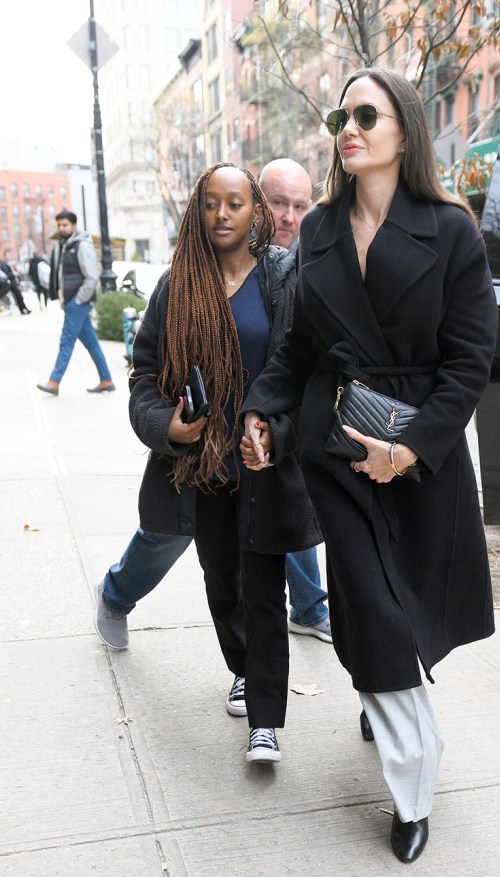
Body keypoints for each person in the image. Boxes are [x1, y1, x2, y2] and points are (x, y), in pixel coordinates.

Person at [241, 68, 497, 862]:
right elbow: (296, 349)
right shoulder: (317, 229)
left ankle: (385, 700)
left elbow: (470, 360)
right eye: (338, 116)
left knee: (403, 610)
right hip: (337, 449)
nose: (346, 128)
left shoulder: (451, 231)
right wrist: (263, 411)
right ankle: (413, 785)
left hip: (421, 452)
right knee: (377, 617)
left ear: (403, 129)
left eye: (365, 114)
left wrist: (412, 446)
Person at [102, 162, 321, 764]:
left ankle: (266, 723)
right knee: (223, 585)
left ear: (254, 212)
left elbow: (303, 371)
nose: (222, 214)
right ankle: (243, 669)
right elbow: (143, 375)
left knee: (265, 592)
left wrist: (275, 431)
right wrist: (166, 427)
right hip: (204, 471)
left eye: (235, 203)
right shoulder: (177, 285)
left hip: (265, 465)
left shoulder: (281, 277)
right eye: (210, 204)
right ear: (196, 213)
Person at [258, 158, 330, 641]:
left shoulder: (312, 266)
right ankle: (115, 593)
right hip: (221, 425)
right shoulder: (228, 263)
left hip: (279, 420)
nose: (288, 216)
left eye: (300, 205)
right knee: (169, 533)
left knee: (293, 505)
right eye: (277, 203)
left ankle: (309, 609)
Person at [37, 210, 115, 396]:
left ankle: (54, 382)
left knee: (66, 341)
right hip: (71, 302)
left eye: (65, 225)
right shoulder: (64, 245)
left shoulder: (81, 245)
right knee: (91, 343)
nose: (61, 228)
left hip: (77, 302)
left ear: (73, 225)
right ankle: (107, 380)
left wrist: (78, 300)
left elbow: (92, 277)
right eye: (59, 225)